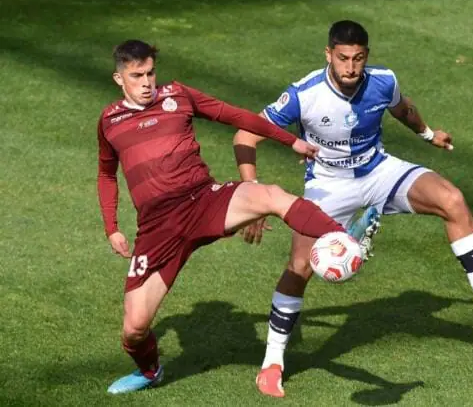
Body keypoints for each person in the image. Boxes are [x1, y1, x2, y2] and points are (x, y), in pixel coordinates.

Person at [233, 20, 473, 398]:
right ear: (328, 54)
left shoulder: (382, 81)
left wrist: (428, 134)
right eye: (342, 58)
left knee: (452, 199)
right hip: (329, 185)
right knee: (298, 267)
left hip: (378, 169)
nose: (350, 68)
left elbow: (402, 109)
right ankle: (272, 362)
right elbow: (245, 134)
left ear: (367, 57)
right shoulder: (304, 94)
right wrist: (254, 193)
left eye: (358, 59)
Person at [98, 40, 354, 394]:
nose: (146, 82)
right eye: (136, 76)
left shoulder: (178, 95)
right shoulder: (110, 121)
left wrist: (289, 141)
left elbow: (234, 115)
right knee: (134, 328)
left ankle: (341, 238)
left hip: (203, 201)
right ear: (119, 78)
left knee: (271, 196)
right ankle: (150, 372)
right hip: (158, 229)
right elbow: (106, 174)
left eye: (150, 73)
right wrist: (111, 227)